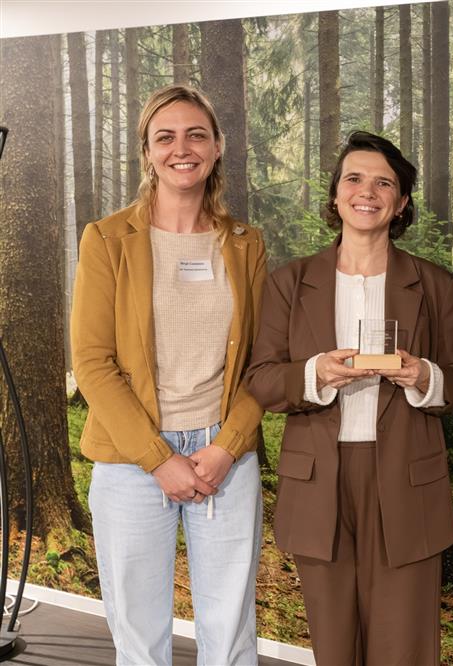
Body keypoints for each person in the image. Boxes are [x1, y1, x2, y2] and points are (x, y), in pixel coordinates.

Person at [245, 130, 453, 665]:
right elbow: (262, 378)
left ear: (402, 202)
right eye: (353, 178)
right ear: (335, 195)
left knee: (404, 647)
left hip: (406, 478)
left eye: (383, 183)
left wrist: (423, 376)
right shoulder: (290, 282)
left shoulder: (435, 285)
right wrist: (316, 373)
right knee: (334, 645)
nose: (366, 192)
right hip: (318, 482)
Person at [71, 85, 266, 665]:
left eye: (196, 135)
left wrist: (227, 446)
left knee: (230, 633)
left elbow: (263, 361)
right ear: (148, 153)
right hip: (130, 460)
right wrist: (158, 459)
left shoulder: (246, 244)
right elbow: (93, 362)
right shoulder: (107, 240)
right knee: (139, 635)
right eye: (166, 137)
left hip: (224, 458)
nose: (182, 148)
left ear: (217, 147)